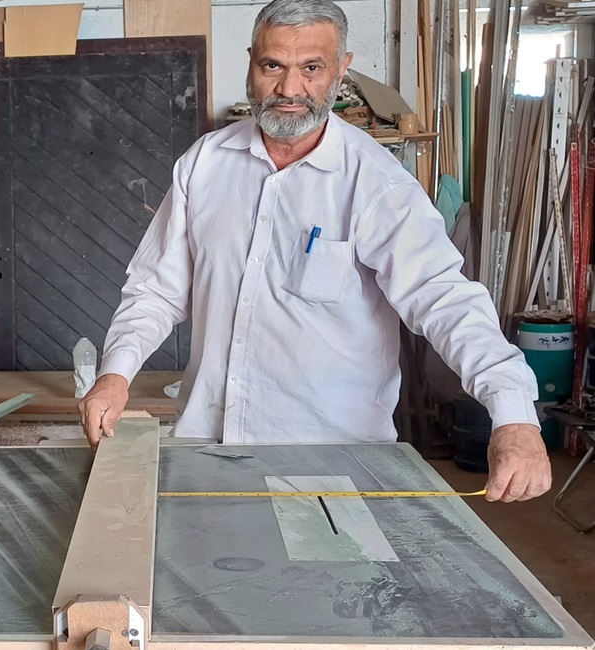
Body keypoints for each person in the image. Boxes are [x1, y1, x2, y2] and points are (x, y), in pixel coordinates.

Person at [77, 0, 552, 503]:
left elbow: (445, 301)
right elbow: (155, 290)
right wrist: (115, 375)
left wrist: (514, 414)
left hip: (334, 463)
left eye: (311, 68)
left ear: (341, 70)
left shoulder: (375, 183)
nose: (289, 89)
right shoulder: (205, 164)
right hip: (207, 450)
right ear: (251, 61)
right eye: (272, 66)